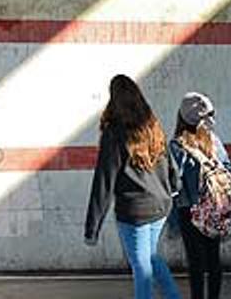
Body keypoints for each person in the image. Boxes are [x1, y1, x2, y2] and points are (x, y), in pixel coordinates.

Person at [85, 74, 182, 299]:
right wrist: (174, 190)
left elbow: (104, 182)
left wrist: (92, 227)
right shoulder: (152, 125)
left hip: (135, 211)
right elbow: (170, 165)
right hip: (160, 206)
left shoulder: (115, 133)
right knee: (150, 258)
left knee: (141, 266)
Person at [169, 92, 231, 299]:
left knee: (195, 262)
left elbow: (175, 181)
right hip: (214, 206)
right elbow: (228, 168)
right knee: (213, 259)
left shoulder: (178, 145)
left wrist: (172, 219)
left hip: (190, 209)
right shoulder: (214, 141)